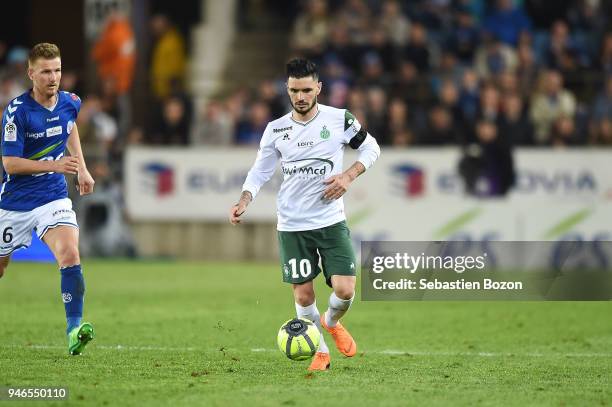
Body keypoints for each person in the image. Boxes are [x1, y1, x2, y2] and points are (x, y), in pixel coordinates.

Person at [229, 58, 380, 371]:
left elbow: (372, 148)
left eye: (307, 90)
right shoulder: (276, 130)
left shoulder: (339, 119)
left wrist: (348, 175)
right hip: (292, 224)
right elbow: (260, 172)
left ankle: (331, 322)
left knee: (345, 289)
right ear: (287, 89)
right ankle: (320, 353)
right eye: (295, 90)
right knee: (303, 295)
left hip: (330, 221)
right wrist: (245, 199)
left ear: (319, 88)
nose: (300, 96)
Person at [0, 43, 95, 355]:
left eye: (57, 70)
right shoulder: (17, 112)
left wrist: (81, 168)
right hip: (14, 203)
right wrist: (55, 164)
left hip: (53, 197)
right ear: (31, 74)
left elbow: (69, 129)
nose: (53, 77)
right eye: (46, 71)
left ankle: (74, 329)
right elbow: (10, 164)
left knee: (69, 253)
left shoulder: (71, 102)